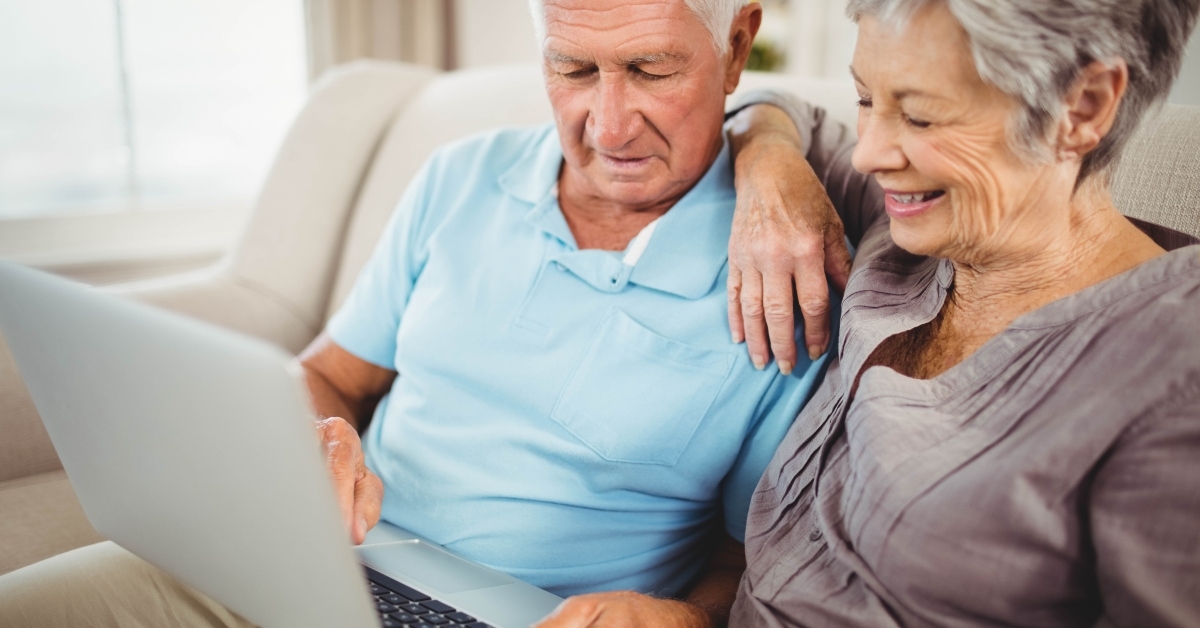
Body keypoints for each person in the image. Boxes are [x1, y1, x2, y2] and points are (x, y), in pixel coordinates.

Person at [0, 1, 839, 626]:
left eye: (651, 71)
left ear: (735, 50)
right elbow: (331, 372)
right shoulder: (463, 175)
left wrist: (685, 619)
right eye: (572, 70)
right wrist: (314, 441)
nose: (606, 123)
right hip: (310, 562)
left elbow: (748, 557)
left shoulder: (780, 263)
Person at [539, 0, 1200, 625]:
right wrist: (773, 167)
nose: (869, 153)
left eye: (919, 117)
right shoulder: (907, 228)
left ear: (1082, 108)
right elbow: (771, 108)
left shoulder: (1172, 373)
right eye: (864, 99)